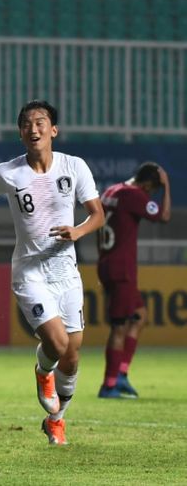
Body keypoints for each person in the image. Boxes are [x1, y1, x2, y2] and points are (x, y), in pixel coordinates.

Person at [0, 100, 104, 446]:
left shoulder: (74, 167)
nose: (34, 129)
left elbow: (97, 214)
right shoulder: (8, 173)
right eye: (27, 124)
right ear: (20, 133)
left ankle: (56, 420)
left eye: (41, 122)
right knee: (56, 344)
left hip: (66, 273)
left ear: (53, 130)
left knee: (72, 355)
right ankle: (43, 371)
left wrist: (78, 231)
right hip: (30, 272)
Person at [96, 162, 171, 399]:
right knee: (119, 327)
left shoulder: (111, 191)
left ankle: (121, 374)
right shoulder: (134, 195)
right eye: (153, 190)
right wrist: (167, 185)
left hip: (107, 263)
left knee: (139, 316)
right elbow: (165, 216)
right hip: (122, 270)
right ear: (147, 184)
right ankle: (109, 385)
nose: (150, 195)